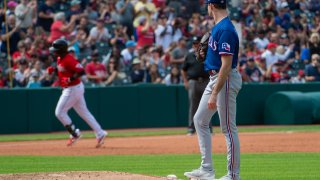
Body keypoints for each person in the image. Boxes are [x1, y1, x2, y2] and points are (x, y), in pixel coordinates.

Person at [184, 1, 242, 180]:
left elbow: (226, 66)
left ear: (211, 6)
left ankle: (233, 175)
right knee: (199, 119)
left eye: (207, 5)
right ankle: (206, 169)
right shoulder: (218, 28)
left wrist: (215, 93)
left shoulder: (225, 29)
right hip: (214, 77)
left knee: (228, 128)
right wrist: (208, 54)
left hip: (224, 79)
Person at [47, 39, 107, 148]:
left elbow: (81, 71)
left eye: (55, 50)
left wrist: (69, 79)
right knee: (84, 113)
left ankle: (75, 133)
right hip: (73, 88)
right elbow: (63, 71)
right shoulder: (60, 58)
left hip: (72, 88)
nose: (53, 52)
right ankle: (100, 133)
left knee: (59, 112)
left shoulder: (69, 59)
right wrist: (54, 71)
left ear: (61, 50)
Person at [181, 36, 210, 135]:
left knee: (207, 106)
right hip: (193, 81)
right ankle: (191, 128)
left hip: (206, 81)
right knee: (193, 106)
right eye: (194, 43)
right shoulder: (189, 55)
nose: (195, 45)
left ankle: (208, 128)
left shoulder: (207, 54)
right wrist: (185, 81)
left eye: (197, 43)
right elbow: (183, 69)